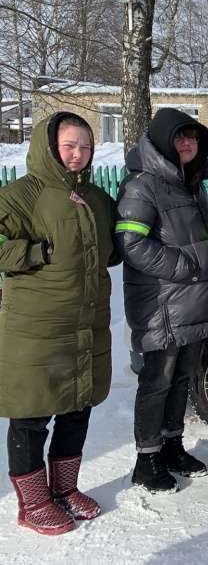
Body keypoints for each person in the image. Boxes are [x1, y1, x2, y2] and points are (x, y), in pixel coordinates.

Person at [0, 113, 118, 535]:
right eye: (69, 145)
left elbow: (112, 248)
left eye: (85, 146)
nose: (78, 154)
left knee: (76, 408)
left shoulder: (95, 197)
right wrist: (33, 253)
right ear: (49, 145)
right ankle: (32, 503)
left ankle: (64, 490)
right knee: (32, 414)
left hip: (85, 325)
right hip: (36, 329)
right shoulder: (22, 194)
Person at [117, 108, 208, 493]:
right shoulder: (143, 184)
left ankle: (172, 445)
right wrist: (187, 266)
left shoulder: (189, 182)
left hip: (193, 300)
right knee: (157, 381)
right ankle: (147, 458)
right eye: (180, 136)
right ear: (163, 139)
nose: (187, 143)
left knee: (182, 379)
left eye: (193, 137)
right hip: (161, 301)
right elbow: (131, 242)